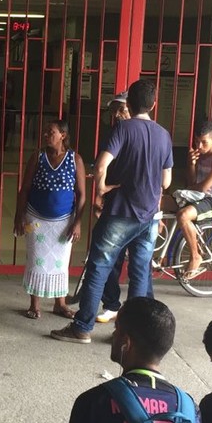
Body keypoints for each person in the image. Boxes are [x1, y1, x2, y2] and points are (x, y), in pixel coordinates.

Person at [34, 297, 206, 423]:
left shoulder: (94, 402)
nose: (114, 335)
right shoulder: (189, 407)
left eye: (116, 329)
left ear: (126, 342)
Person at [51, 80, 172, 344]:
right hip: (149, 217)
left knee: (99, 267)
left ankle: (82, 328)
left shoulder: (123, 130)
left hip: (120, 213)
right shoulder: (164, 135)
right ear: (153, 104)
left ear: (128, 104)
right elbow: (166, 182)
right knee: (140, 273)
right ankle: (134, 335)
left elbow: (103, 164)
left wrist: (103, 186)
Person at [14, 119, 87, 319]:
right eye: (45, 132)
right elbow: (25, 188)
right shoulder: (37, 157)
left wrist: (78, 222)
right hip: (36, 219)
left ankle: (60, 304)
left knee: (60, 263)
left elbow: (81, 194)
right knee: (36, 261)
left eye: (51, 132)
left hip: (64, 222)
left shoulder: (75, 159)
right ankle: (34, 305)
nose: (46, 135)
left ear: (63, 135)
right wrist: (19, 215)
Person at [96, 92, 153, 325]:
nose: (118, 115)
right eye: (114, 111)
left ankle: (140, 313)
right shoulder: (115, 133)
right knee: (113, 259)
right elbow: (103, 167)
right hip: (117, 205)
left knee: (140, 265)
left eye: (122, 109)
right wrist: (100, 195)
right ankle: (112, 305)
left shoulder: (151, 136)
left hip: (139, 210)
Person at [169, 120, 212, 277]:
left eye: (204, 142)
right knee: (158, 202)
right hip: (201, 197)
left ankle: (196, 256)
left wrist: (184, 191)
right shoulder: (199, 155)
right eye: (196, 142)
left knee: (183, 215)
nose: (199, 146)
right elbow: (193, 183)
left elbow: (203, 187)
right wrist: (191, 164)